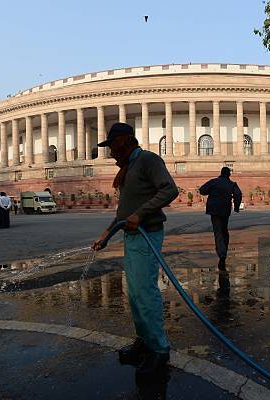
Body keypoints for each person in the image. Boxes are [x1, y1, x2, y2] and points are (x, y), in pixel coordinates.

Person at [91, 122, 178, 379]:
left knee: (145, 293)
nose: (111, 152)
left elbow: (170, 190)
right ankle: (144, 341)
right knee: (134, 295)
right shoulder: (128, 168)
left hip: (147, 235)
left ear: (125, 141)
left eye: (113, 146)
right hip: (131, 237)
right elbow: (123, 213)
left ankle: (159, 351)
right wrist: (106, 235)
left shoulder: (149, 160)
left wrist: (140, 214)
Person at [199, 167, 242, 271]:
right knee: (224, 230)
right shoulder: (231, 184)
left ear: (221, 173)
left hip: (214, 210)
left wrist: (212, 192)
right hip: (225, 210)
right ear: (229, 175)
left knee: (218, 232)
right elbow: (238, 194)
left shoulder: (214, 182)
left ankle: (221, 254)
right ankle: (224, 251)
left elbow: (202, 190)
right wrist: (236, 207)